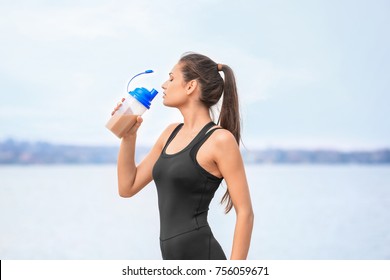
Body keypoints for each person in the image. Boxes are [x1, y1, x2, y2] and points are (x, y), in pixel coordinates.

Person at [114, 52, 254, 260]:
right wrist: (128, 136)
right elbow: (127, 187)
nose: (164, 85)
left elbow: (245, 213)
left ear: (191, 86)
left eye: (171, 78)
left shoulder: (220, 140)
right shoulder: (169, 134)